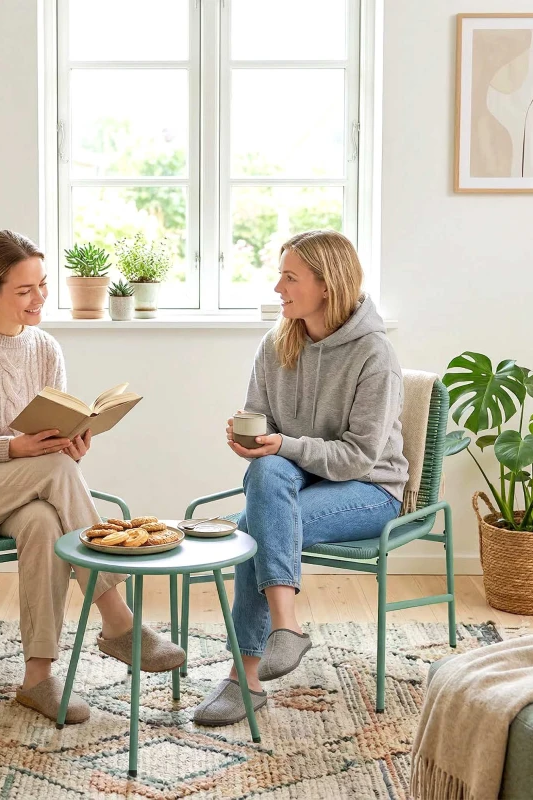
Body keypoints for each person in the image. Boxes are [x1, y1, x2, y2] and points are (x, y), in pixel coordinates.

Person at [0, 230, 185, 724]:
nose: (40, 299)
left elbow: (50, 450)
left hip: (15, 491)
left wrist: (72, 445)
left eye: (43, 284)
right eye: (24, 290)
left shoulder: (47, 349)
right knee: (50, 471)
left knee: (41, 522)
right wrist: (16, 448)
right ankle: (118, 619)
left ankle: (37, 678)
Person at [193, 229, 408, 726]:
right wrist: (252, 438)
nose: (278, 288)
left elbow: (358, 458)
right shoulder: (277, 343)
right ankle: (285, 629)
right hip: (300, 483)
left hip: (370, 490)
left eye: (290, 277)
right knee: (266, 473)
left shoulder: (375, 356)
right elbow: (262, 419)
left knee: (254, 524)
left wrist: (285, 446)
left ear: (326, 285)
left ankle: (242, 674)